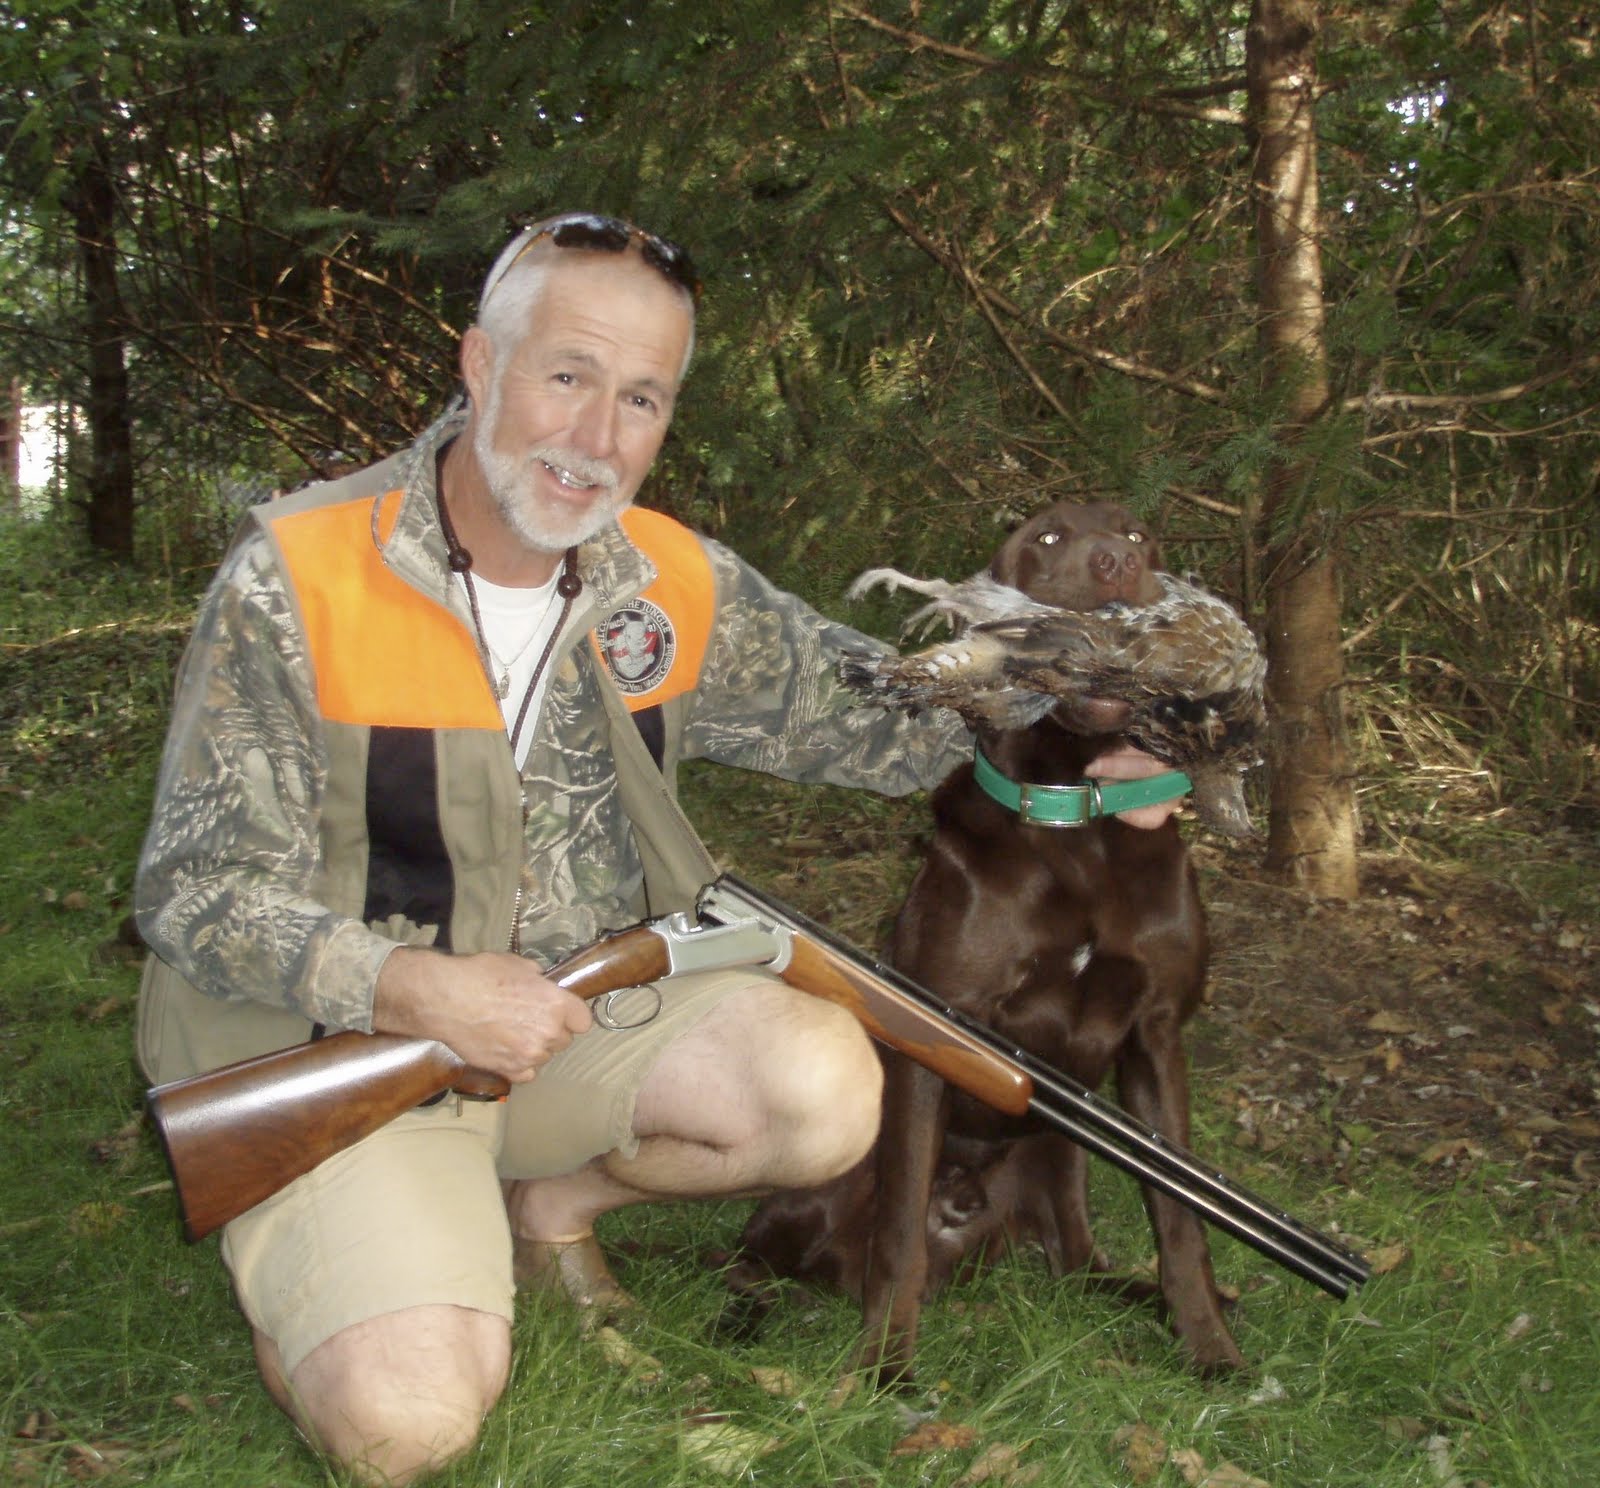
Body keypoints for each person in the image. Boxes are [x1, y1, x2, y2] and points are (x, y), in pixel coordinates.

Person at [134, 212, 1187, 1484]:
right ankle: (353, 1252)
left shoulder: (667, 580)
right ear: (478, 365)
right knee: (407, 1427)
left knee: (824, 1086)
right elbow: (193, 893)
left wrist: (1110, 734)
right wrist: (405, 985)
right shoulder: (299, 572)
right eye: (567, 374)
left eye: (641, 397)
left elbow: (900, 723)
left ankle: (550, 1208)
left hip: (573, 1029)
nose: (597, 436)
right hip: (341, 1042)